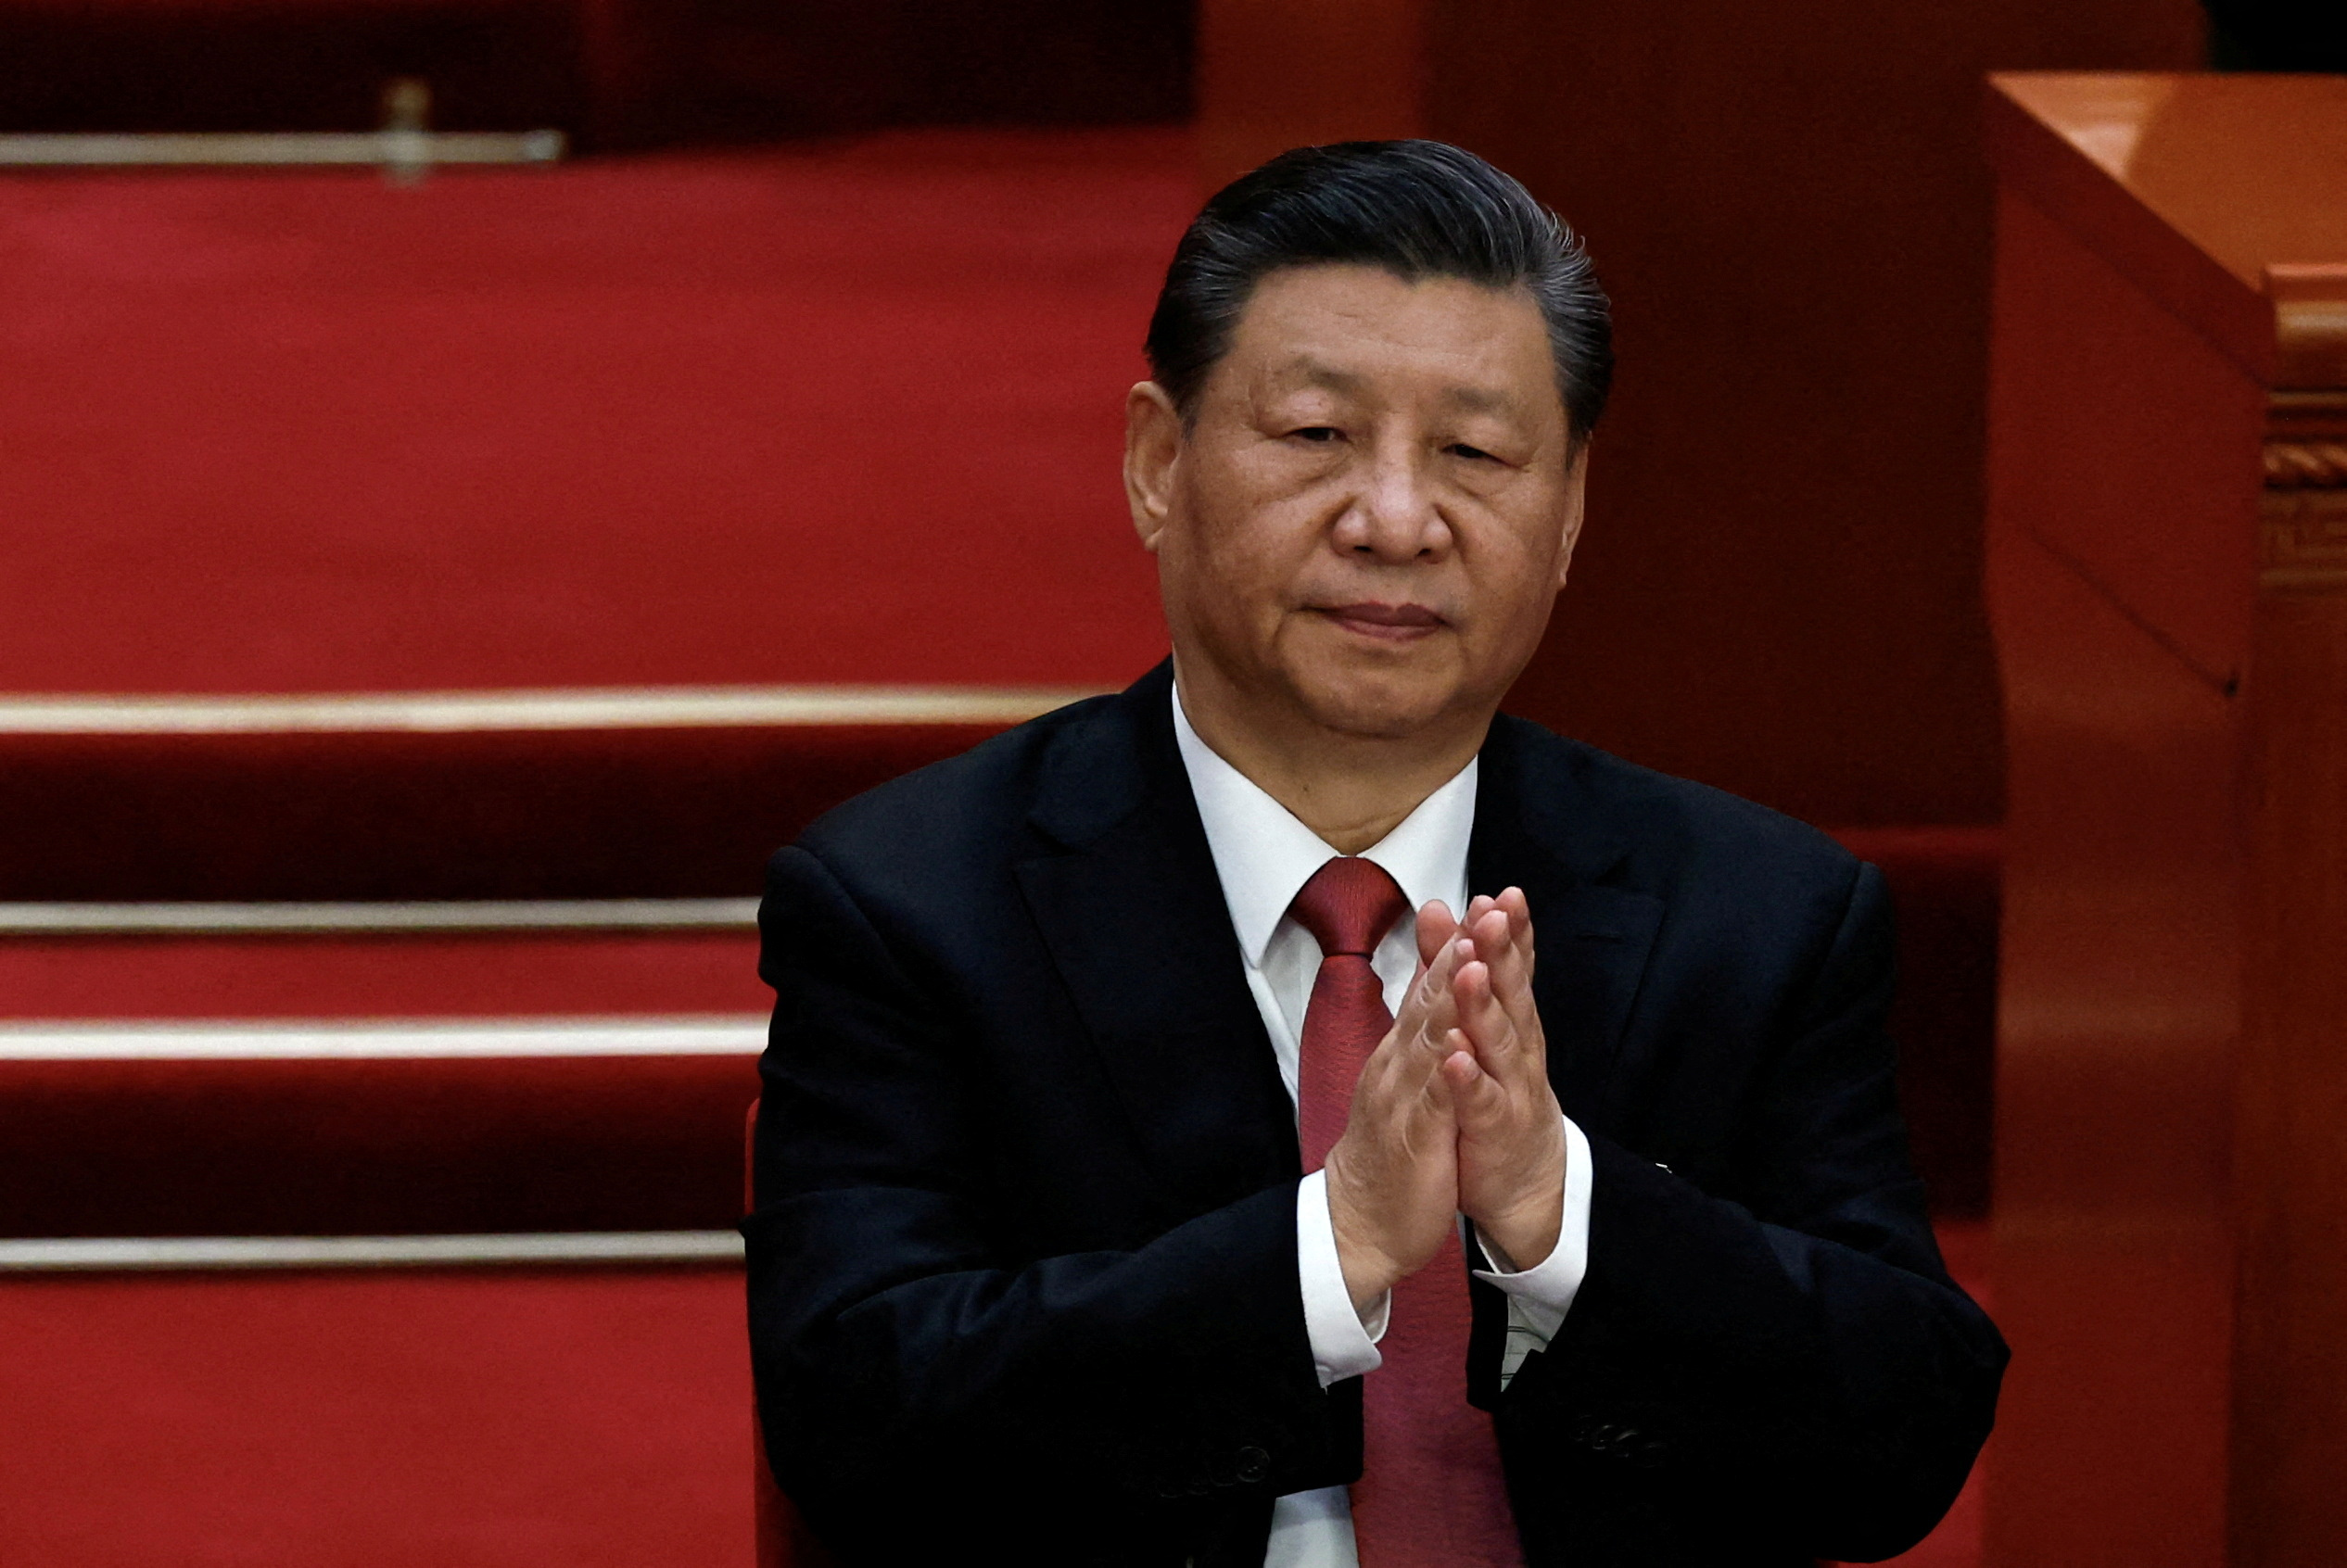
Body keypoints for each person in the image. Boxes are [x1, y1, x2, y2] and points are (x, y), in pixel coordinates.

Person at [745, 140, 2005, 1568]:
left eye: (1473, 455)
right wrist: (1327, 1253)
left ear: (1573, 509)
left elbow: (1905, 1435)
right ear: (1159, 465)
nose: (1396, 520)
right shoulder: (913, 902)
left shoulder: (1761, 911)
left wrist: (1563, 1221)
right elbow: (854, 1420)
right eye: (1315, 438)